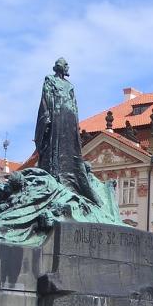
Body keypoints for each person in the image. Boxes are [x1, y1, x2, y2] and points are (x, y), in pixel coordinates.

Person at [34, 58, 100, 205]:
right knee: (54, 146)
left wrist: (75, 124)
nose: (68, 67)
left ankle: (70, 179)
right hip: (56, 116)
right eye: (66, 65)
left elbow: (74, 105)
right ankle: (55, 174)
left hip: (69, 119)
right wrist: (48, 117)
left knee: (70, 149)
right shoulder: (50, 80)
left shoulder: (70, 86)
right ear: (60, 67)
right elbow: (46, 98)